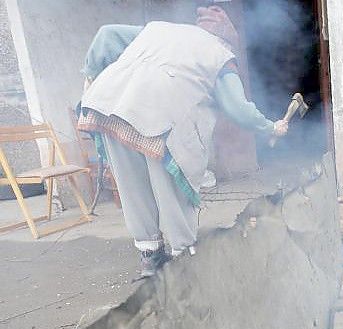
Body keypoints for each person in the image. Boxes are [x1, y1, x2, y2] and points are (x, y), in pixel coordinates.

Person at [79, 5, 289, 277]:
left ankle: (150, 258)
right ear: (227, 40)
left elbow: (106, 35)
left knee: (133, 186)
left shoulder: (160, 30)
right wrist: (271, 126)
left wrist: (91, 76)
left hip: (107, 107)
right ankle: (183, 258)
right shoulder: (221, 56)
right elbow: (238, 108)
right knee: (171, 189)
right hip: (157, 119)